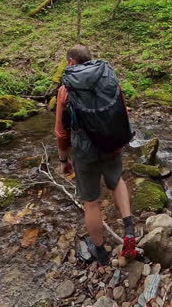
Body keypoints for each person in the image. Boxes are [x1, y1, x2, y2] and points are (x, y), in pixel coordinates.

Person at [55, 45, 138, 265]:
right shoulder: (109, 78)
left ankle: (100, 252)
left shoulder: (66, 89)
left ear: (71, 62)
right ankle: (129, 228)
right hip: (112, 145)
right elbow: (122, 110)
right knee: (116, 181)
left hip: (85, 153)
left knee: (91, 202)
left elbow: (61, 133)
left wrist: (64, 160)